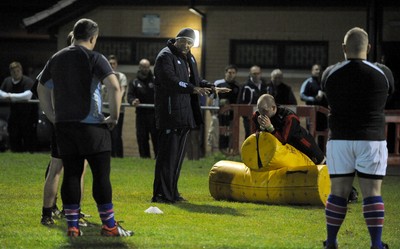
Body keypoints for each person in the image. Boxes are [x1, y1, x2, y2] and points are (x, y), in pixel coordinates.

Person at [37, 18, 133, 237]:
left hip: (64, 126)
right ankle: (109, 226)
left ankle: (72, 227)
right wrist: (114, 116)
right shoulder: (95, 57)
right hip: (91, 126)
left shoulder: (56, 57)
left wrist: (52, 114)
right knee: (101, 176)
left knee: (71, 173)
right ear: (93, 37)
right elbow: (114, 86)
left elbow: (41, 87)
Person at [321, 27, 394, 249]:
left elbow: (326, 95)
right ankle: (376, 244)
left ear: (343, 48)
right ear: (369, 48)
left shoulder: (330, 72)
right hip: (371, 138)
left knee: (338, 193)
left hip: (340, 139)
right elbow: (388, 94)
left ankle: (332, 242)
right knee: (372, 193)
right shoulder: (383, 72)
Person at [151, 27, 229, 203]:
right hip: (170, 113)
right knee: (167, 157)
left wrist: (211, 87)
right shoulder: (165, 56)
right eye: (184, 41)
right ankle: (161, 194)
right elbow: (170, 81)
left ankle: (172, 192)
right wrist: (192, 88)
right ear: (176, 39)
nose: (186, 45)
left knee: (177, 158)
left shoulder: (189, 57)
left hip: (184, 114)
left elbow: (195, 81)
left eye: (190, 42)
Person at [39, 31, 89, 226]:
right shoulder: (83, 62)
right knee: (69, 170)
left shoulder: (56, 61)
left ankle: (50, 214)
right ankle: (65, 213)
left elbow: (44, 87)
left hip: (64, 122)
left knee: (59, 169)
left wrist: (52, 115)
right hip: (75, 123)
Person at [252, 94, 325, 164]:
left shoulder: (289, 117)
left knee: (320, 163)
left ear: (273, 108)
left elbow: (284, 140)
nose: (261, 114)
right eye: (259, 110)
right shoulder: (257, 115)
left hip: (301, 144)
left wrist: (270, 128)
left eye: (264, 111)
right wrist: (261, 127)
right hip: (283, 151)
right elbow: (255, 137)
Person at [0, 61, 38, 152]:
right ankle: (15, 151)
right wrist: (8, 96)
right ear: (10, 72)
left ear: (21, 71)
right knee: (13, 136)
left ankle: (29, 153)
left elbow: (27, 95)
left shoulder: (27, 81)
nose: (16, 73)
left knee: (28, 137)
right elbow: (0, 93)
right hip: (14, 114)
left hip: (28, 115)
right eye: (13, 72)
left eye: (18, 71)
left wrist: (10, 96)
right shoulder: (7, 81)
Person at [127, 58, 158, 158]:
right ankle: (144, 158)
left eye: (147, 67)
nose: (145, 69)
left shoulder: (155, 80)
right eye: (143, 67)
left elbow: (161, 95)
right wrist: (133, 101)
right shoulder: (134, 81)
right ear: (139, 67)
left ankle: (158, 158)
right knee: (142, 138)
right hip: (141, 115)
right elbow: (130, 95)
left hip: (154, 114)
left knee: (156, 138)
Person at [208, 64, 241, 152]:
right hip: (218, 114)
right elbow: (210, 99)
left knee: (230, 133)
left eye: (233, 73)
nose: (231, 74)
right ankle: (215, 152)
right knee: (216, 133)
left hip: (231, 115)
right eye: (229, 72)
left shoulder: (237, 86)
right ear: (225, 73)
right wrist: (212, 113)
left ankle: (228, 151)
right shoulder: (218, 83)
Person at [102, 54, 127, 158]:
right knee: (105, 134)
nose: (111, 65)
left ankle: (118, 156)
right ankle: (107, 155)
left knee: (116, 135)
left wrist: (117, 103)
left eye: (113, 63)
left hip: (118, 109)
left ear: (116, 65)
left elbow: (122, 91)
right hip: (104, 109)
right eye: (110, 63)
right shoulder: (103, 76)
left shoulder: (121, 76)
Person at [299, 64, 329, 150]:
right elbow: (302, 95)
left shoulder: (324, 83)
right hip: (311, 113)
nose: (318, 71)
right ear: (312, 71)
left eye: (319, 70)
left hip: (323, 114)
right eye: (316, 70)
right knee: (310, 134)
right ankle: (310, 152)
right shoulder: (308, 82)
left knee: (323, 134)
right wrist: (314, 98)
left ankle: (322, 154)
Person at [238, 65, 268, 138]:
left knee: (262, 135)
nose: (256, 75)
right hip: (249, 116)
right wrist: (245, 115)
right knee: (250, 135)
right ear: (250, 74)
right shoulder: (245, 86)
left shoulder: (265, 86)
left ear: (261, 73)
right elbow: (240, 101)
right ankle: (248, 149)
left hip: (262, 115)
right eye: (254, 73)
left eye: (258, 73)